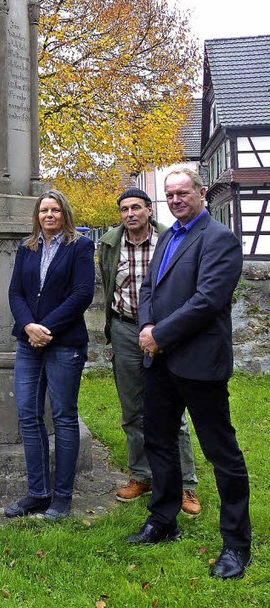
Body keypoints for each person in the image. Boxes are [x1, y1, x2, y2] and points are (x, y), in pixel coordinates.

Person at [127, 167, 252, 580]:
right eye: (170, 194)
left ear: (201, 193)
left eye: (183, 192)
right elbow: (149, 288)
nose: (176, 199)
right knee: (159, 442)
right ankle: (163, 521)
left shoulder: (220, 240)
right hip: (159, 361)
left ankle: (236, 545)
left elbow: (207, 301)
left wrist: (159, 334)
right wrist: (147, 327)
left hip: (198, 363)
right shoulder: (167, 236)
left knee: (222, 454)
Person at [98, 187, 201, 516]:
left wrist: (166, 329)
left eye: (136, 208)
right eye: (124, 209)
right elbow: (107, 283)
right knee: (132, 410)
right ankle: (141, 475)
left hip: (165, 330)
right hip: (126, 329)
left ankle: (186, 484)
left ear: (149, 210)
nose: (130, 214)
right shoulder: (110, 244)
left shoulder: (169, 239)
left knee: (174, 411)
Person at [5, 189, 95, 521]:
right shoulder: (26, 248)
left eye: (55, 210)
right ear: (37, 215)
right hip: (28, 343)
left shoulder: (80, 247)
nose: (49, 215)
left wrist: (46, 327)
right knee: (29, 416)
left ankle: (62, 496)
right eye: (44, 210)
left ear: (65, 214)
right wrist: (28, 325)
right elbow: (15, 291)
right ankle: (38, 492)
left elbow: (83, 293)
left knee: (63, 417)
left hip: (65, 343)